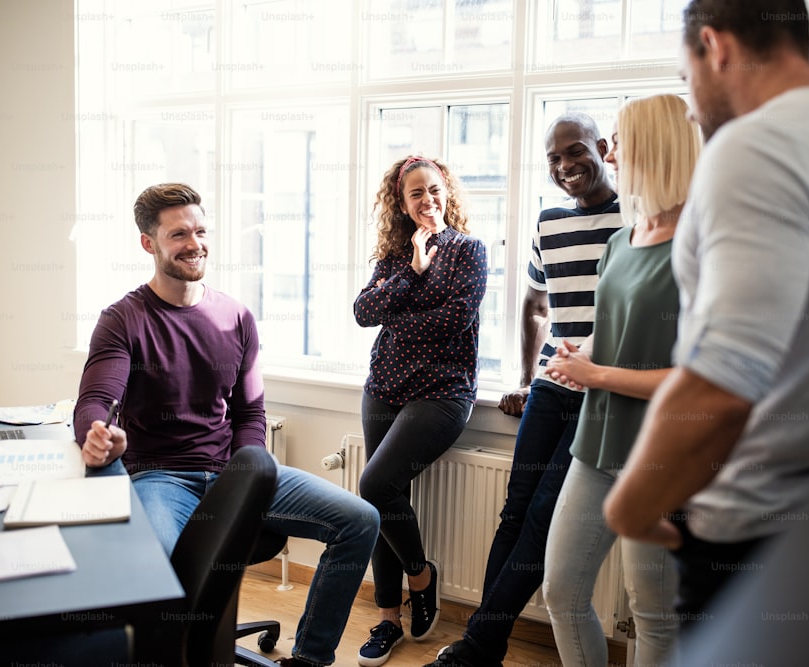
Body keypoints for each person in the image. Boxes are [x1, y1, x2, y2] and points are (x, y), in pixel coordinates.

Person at [604, 0, 809, 628]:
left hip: (742, 532)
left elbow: (721, 384)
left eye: (684, 77)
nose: (689, 104)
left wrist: (630, 510)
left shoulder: (755, 146)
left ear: (717, 49)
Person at [74, 183, 381, 667]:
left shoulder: (236, 317)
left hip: (232, 472)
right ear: (148, 243)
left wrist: (248, 475)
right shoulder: (123, 319)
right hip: (161, 475)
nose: (194, 243)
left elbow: (249, 413)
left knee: (360, 520)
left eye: (200, 230)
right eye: (178, 234)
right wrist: (95, 432)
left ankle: (309, 659)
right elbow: (96, 398)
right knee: (158, 575)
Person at [426, 113, 622, 667]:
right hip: (549, 391)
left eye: (575, 151)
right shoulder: (548, 222)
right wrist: (522, 379)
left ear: (603, 149)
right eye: (554, 159)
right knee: (514, 512)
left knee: (542, 517)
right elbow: (536, 305)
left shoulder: (634, 220)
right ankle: (484, 646)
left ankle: (479, 644)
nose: (565, 167)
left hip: (600, 397)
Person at [541, 94, 701, 667]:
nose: (612, 150)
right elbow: (607, 334)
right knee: (560, 590)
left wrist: (596, 371)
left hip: (660, 458)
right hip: (597, 442)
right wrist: (575, 355)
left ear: (656, 147)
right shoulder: (621, 240)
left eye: (619, 138)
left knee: (652, 615)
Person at [353, 156, 488, 667]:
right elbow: (365, 313)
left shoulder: (470, 250)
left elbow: (453, 321)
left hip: (443, 392)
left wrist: (397, 318)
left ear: (447, 192)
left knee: (374, 486)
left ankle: (422, 576)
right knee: (380, 502)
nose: (427, 200)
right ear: (401, 204)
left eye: (434, 189)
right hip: (384, 387)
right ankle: (387, 618)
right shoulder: (394, 255)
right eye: (415, 194)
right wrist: (412, 271)